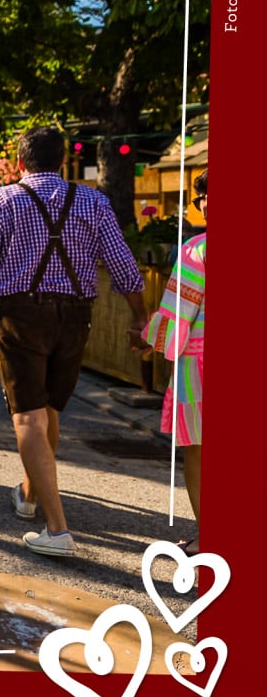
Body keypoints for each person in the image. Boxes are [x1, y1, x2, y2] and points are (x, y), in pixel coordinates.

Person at [0, 126, 147, 558]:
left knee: (28, 417)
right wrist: (140, 316)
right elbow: (123, 265)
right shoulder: (94, 202)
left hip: (20, 315)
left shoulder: (1, 201)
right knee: (49, 408)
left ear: (20, 162)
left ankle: (57, 529)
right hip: (75, 318)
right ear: (63, 160)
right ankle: (28, 494)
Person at [141, 169, 205, 554]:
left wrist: (151, 342)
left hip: (200, 367)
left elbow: (178, 314)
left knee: (199, 453)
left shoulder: (197, 250)